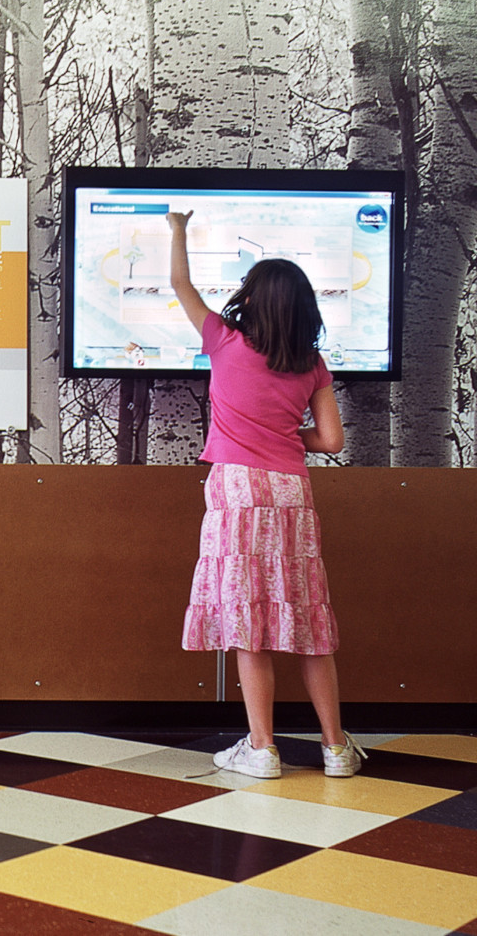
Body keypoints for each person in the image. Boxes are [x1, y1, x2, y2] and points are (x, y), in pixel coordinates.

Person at [166, 210, 366, 779]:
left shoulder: (225, 341)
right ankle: (335, 749)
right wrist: (282, 433)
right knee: (305, 614)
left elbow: (181, 284)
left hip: (235, 487)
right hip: (290, 490)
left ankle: (263, 748)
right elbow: (330, 439)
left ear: (249, 302)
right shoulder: (311, 362)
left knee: (248, 618)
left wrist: (178, 231)